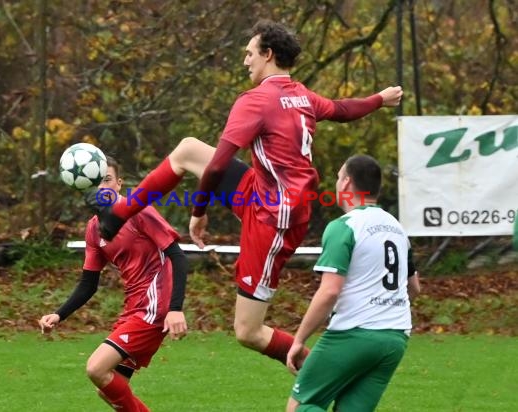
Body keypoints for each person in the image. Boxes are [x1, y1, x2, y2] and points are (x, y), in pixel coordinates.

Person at [87, 19, 403, 366]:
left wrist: (198, 212)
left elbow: (220, 166)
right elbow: (342, 110)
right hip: (266, 194)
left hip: (274, 219)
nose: (245, 61)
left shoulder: (256, 101)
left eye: (250, 53)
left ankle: (321, 372)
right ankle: (121, 212)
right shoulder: (301, 94)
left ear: (268, 54)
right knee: (189, 150)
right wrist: (379, 99)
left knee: (248, 331)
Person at [39, 156, 188, 412]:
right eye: (97, 182)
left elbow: (178, 255)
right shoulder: (94, 229)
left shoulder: (139, 210)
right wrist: (59, 314)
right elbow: (89, 283)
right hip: (134, 307)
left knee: (96, 368)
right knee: (107, 389)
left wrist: (175, 308)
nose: (103, 187)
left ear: (119, 184)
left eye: (107, 180)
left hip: (154, 306)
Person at [285, 155, 421, 412]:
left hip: (353, 334)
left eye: (338, 177)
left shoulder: (344, 226)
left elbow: (330, 291)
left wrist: (299, 340)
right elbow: (414, 287)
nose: (336, 184)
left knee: (300, 406)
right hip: (395, 338)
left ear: (346, 183)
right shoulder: (398, 229)